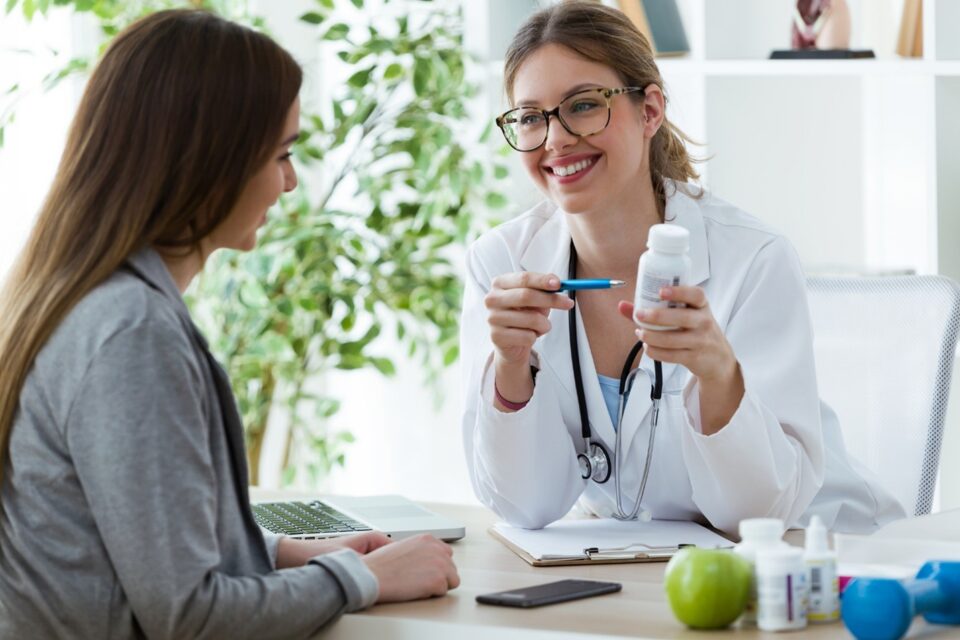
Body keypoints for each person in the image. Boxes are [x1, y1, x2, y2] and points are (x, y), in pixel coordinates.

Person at [0, 10, 458, 639]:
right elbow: (189, 617)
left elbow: (129, 542)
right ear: (209, 162)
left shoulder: (86, 300)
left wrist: (277, 553)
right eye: (281, 154)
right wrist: (366, 579)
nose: (290, 183)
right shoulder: (131, 333)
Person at [460, 1, 904, 536]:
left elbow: (757, 514)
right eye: (531, 117)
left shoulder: (753, 259)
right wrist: (511, 368)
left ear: (650, 111)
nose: (554, 139)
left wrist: (717, 374)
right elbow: (526, 507)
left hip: (813, 554)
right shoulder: (501, 265)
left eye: (582, 106)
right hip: (642, 567)